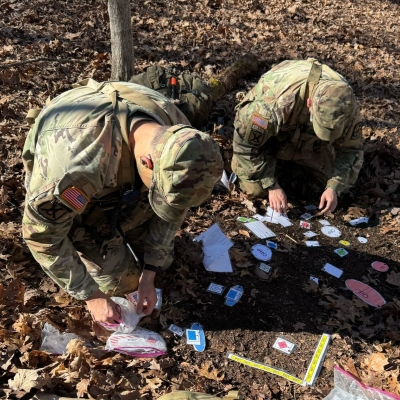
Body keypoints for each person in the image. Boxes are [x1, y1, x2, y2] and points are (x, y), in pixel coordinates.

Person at [22, 79, 223, 325]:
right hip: (72, 185)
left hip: (122, 185)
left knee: (163, 262)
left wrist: (150, 272)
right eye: (158, 191)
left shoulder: (182, 135)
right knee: (122, 283)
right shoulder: (75, 170)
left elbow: (174, 207)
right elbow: (42, 237)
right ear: (147, 163)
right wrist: (91, 295)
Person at [232, 58, 364, 214]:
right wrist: (271, 185)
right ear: (310, 103)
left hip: (307, 139)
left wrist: (333, 187)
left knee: (337, 180)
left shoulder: (346, 105)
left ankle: (293, 161)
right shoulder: (274, 105)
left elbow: (351, 150)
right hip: (271, 139)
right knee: (255, 189)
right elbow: (244, 145)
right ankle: (274, 162)